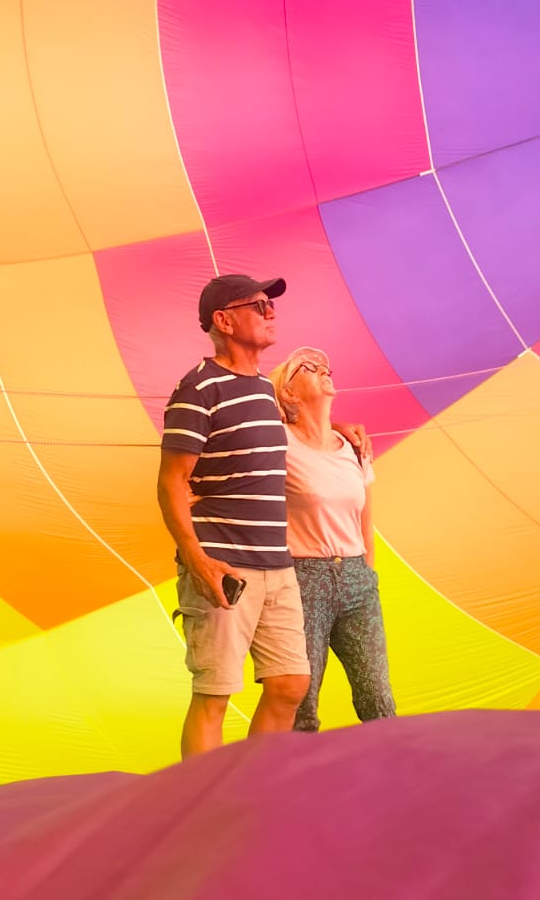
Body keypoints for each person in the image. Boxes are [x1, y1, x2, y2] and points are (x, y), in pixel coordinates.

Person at [157, 276, 367, 758]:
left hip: (278, 565)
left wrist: (336, 425)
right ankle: (203, 805)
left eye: (270, 304)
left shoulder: (259, 391)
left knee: (291, 683)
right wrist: (197, 560)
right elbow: (171, 481)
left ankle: (249, 789)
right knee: (215, 693)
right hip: (224, 563)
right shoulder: (199, 388)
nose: (271, 311)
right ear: (224, 321)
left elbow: (280, 428)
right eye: (258, 305)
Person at [269, 346, 396, 734]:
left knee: (378, 696)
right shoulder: (279, 445)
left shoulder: (356, 450)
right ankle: (293, 787)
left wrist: (367, 575)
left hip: (357, 578)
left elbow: (366, 522)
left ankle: (398, 781)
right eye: (309, 367)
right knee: (302, 702)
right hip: (305, 579)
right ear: (288, 393)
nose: (324, 369)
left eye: (326, 365)